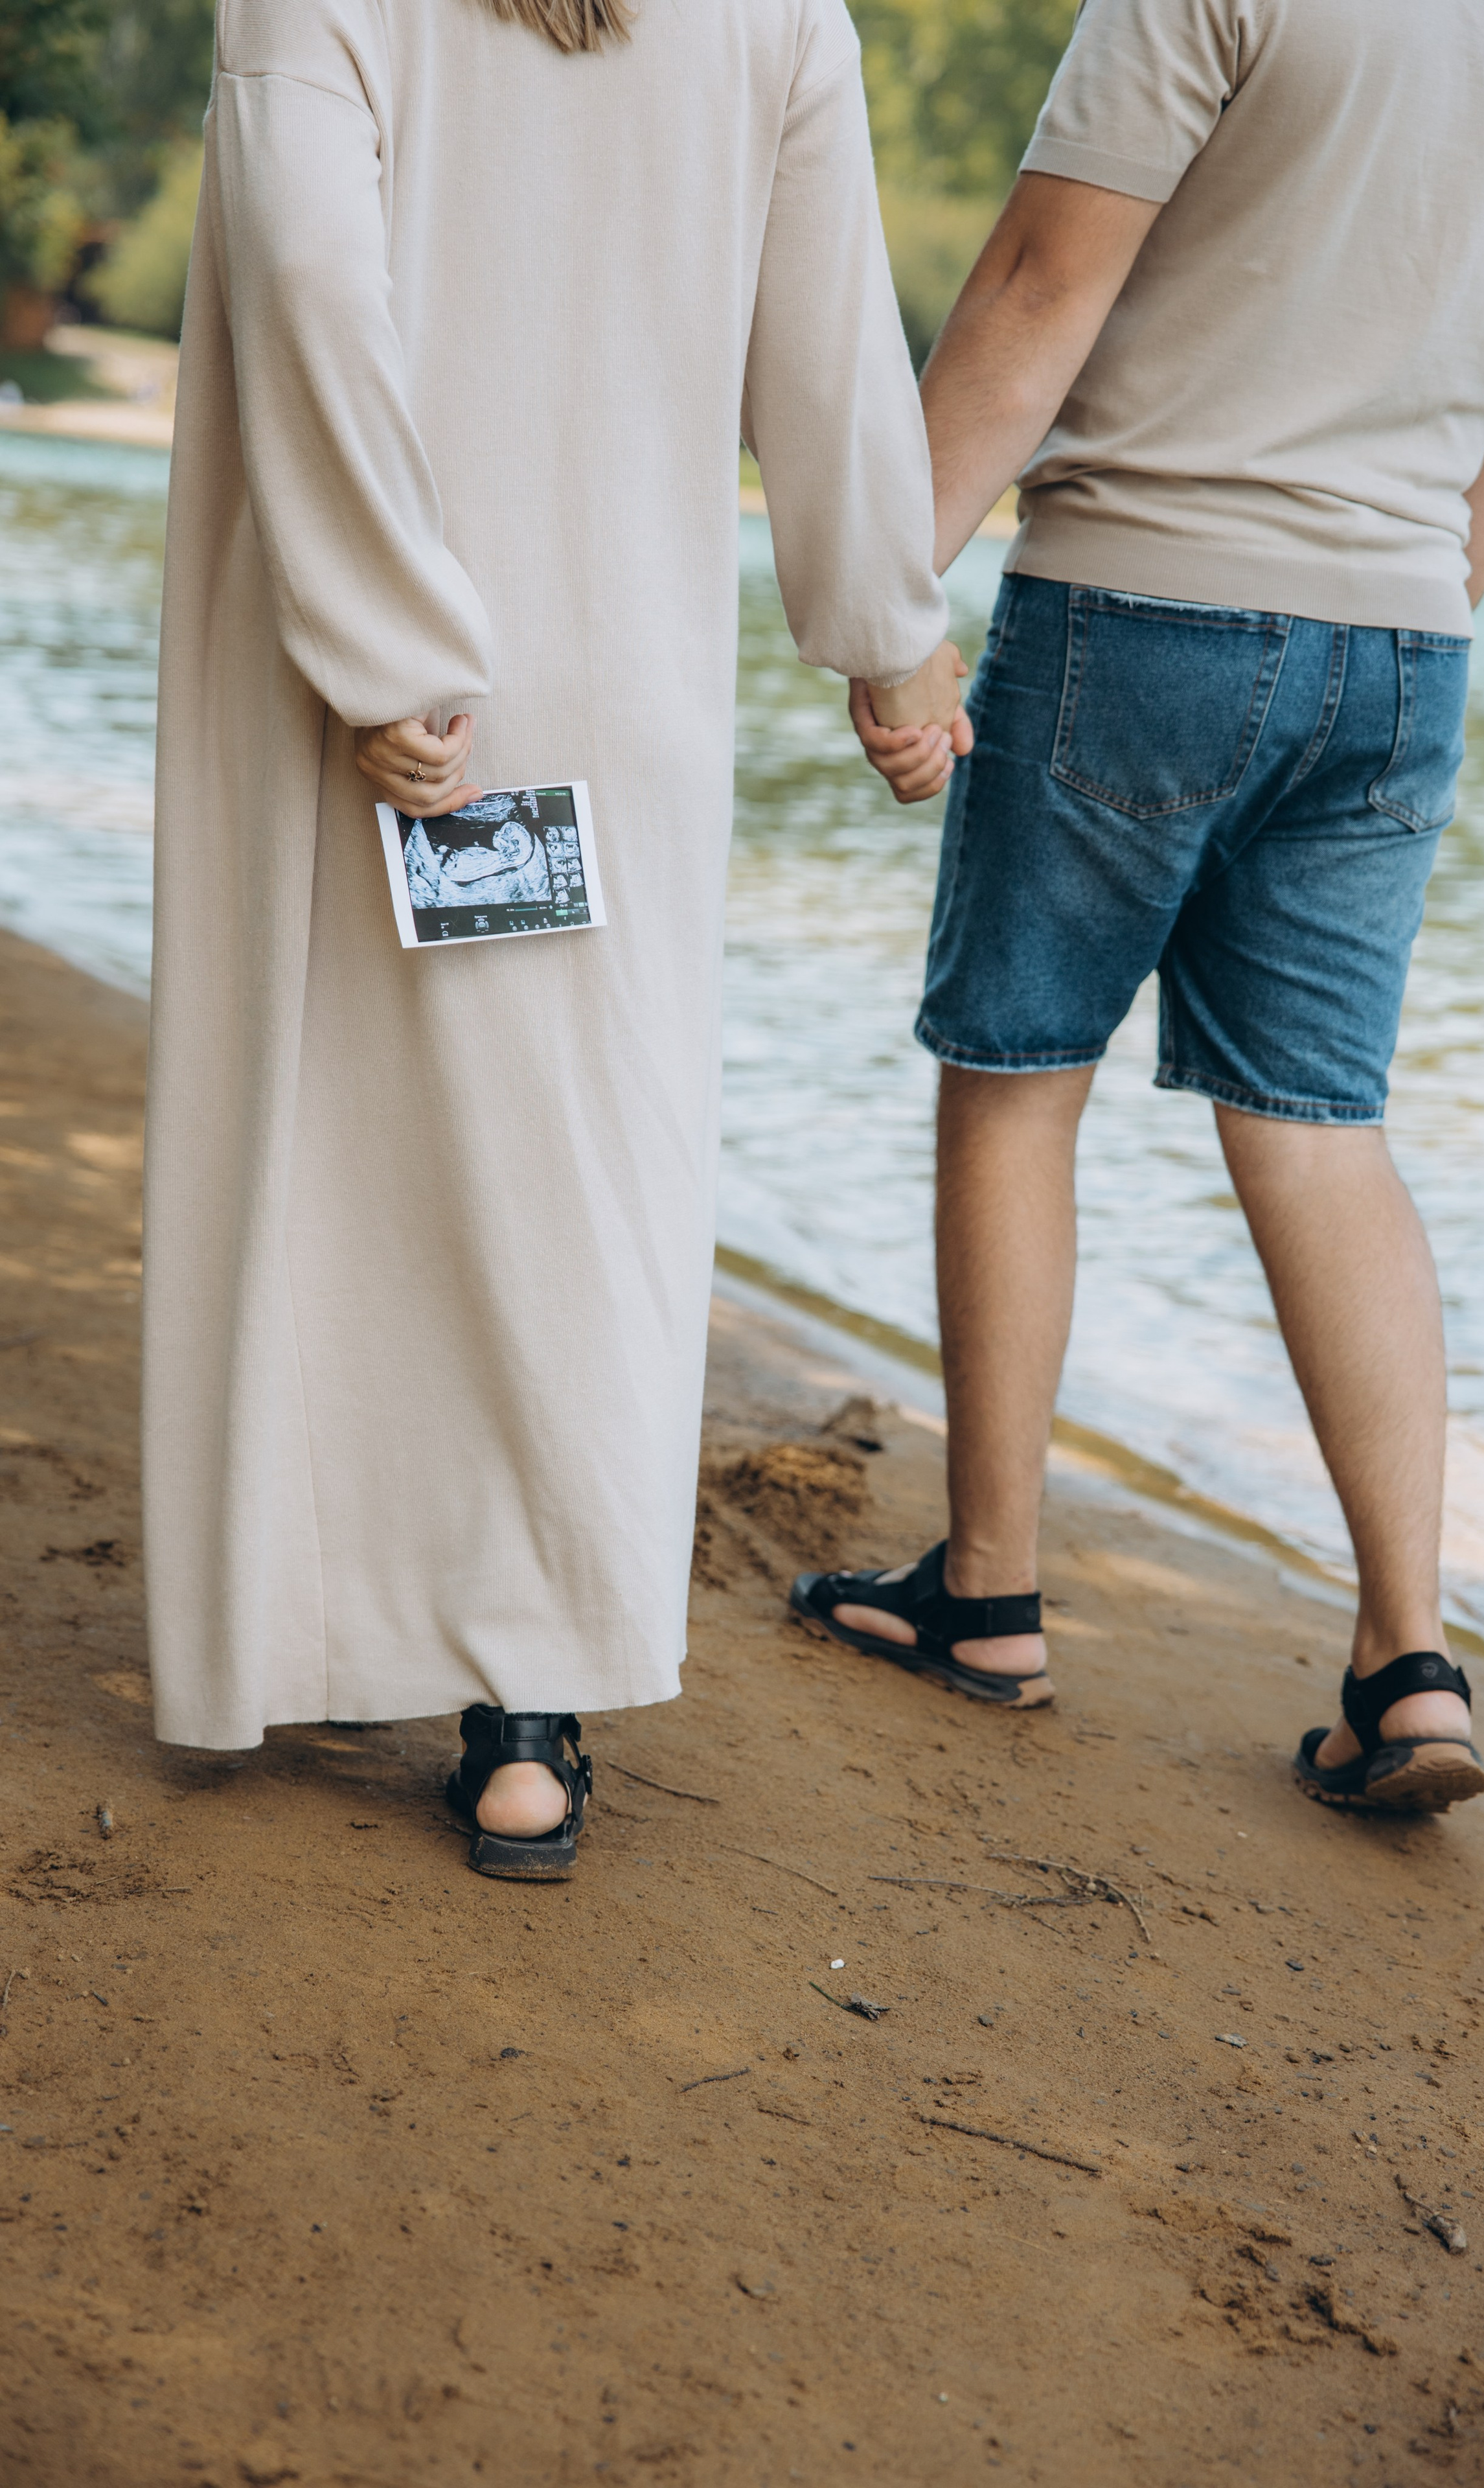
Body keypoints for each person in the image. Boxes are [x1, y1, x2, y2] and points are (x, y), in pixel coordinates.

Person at [143, 0, 967, 1877]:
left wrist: (384, 629)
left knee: (322, 1142)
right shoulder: (778, 16)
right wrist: (890, 639)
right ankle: (526, 1714)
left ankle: (294, 1618)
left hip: (365, 684)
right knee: (573, 1178)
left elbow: (303, 281)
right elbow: (831, 351)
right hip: (612, 686)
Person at [793, 0, 1484, 1815]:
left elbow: (1037, 284)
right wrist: (1414, 624)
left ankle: (990, 1595)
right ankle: (1409, 1661)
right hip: (1406, 645)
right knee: (1325, 1126)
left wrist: (883, 600)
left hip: (1143, 602)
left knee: (1020, 1071)